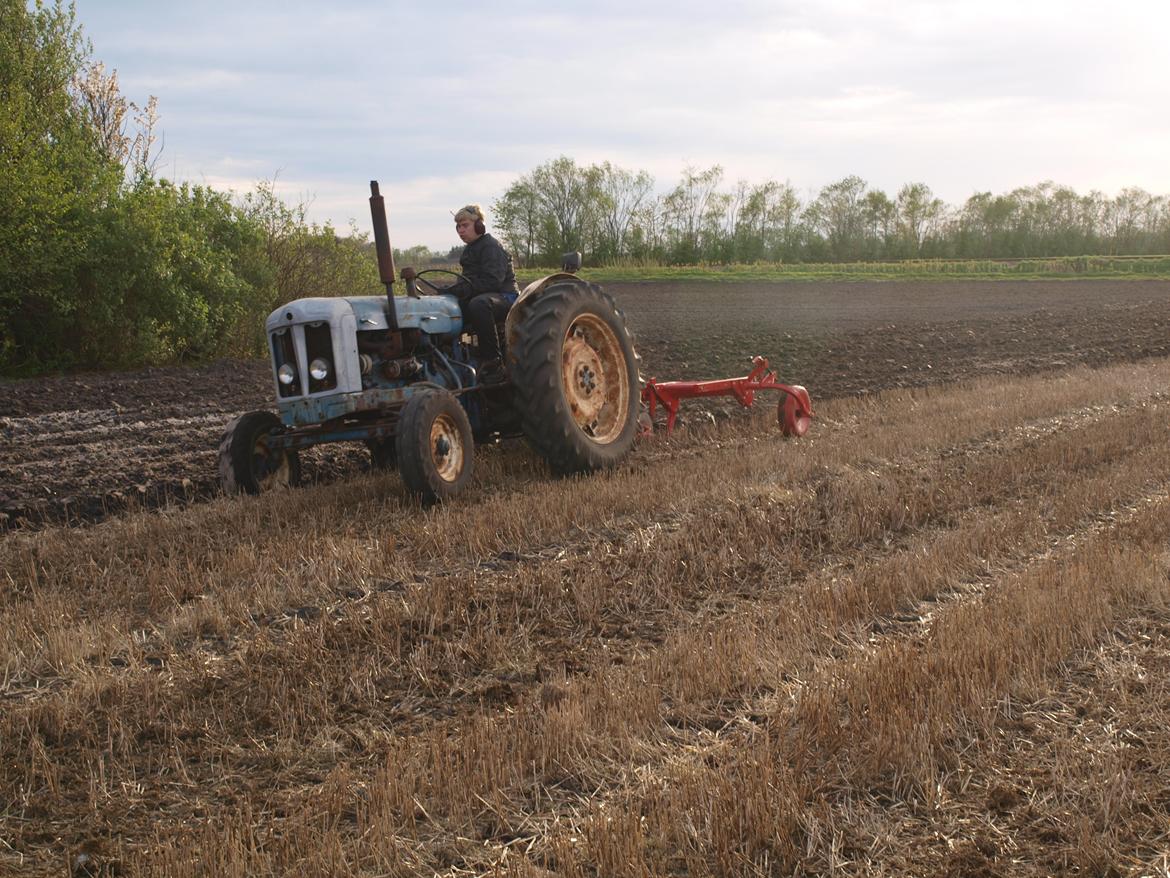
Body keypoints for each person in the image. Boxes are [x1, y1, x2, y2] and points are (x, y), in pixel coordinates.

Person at [446, 204, 520, 383]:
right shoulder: (470, 250)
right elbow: (468, 281)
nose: (460, 230)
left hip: (507, 297)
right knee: (448, 306)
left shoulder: (491, 246)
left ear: (479, 226)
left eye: (465, 225)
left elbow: (492, 281)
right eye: (458, 227)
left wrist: (464, 290)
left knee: (479, 304)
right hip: (488, 295)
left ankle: (493, 361)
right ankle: (453, 357)